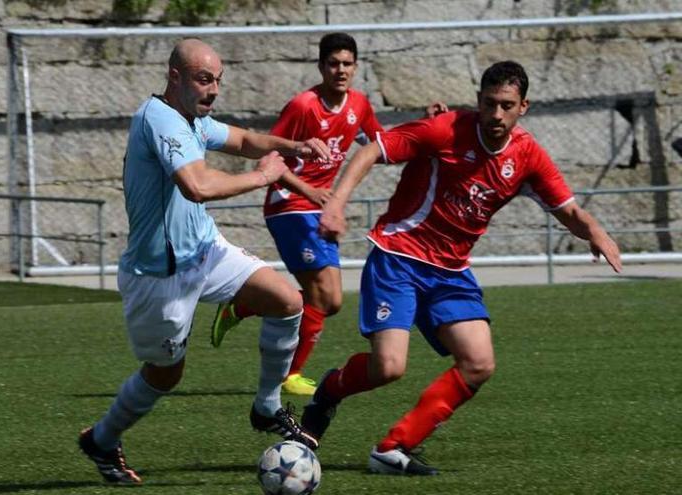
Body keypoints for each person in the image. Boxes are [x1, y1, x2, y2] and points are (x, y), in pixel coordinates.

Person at [300, 60, 622, 475]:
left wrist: (595, 231)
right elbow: (371, 150)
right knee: (389, 368)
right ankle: (328, 392)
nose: (496, 115)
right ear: (479, 101)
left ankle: (393, 449)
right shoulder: (445, 130)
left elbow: (570, 209)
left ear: (524, 106)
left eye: (507, 106)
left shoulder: (527, 157)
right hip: (399, 256)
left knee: (479, 362)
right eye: (489, 104)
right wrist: (337, 205)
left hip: (450, 272)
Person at [77, 39, 330, 485]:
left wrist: (296, 146)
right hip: (159, 275)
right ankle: (101, 438)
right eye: (203, 79)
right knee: (165, 374)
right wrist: (263, 178)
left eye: (217, 80)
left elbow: (246, 140)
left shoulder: (194, 118)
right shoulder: (159, 120)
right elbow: (196, 185)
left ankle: (266, 406)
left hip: (205, 250)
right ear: (175, 77)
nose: (213, 89)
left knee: (288, 301)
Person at [210, 33, 448, 396]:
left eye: (347, 63)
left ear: (355, 67)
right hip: (289, 205)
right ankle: (289, 376)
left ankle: (245, 306)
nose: (340, 70)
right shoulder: (304, 106)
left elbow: (383, 144)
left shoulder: (359, 105)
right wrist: (310, 191)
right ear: (321, 67)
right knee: (326, 297)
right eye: (333, 63)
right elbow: (268, 158)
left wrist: (422, 123)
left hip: (319, 209)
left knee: (329, 300)